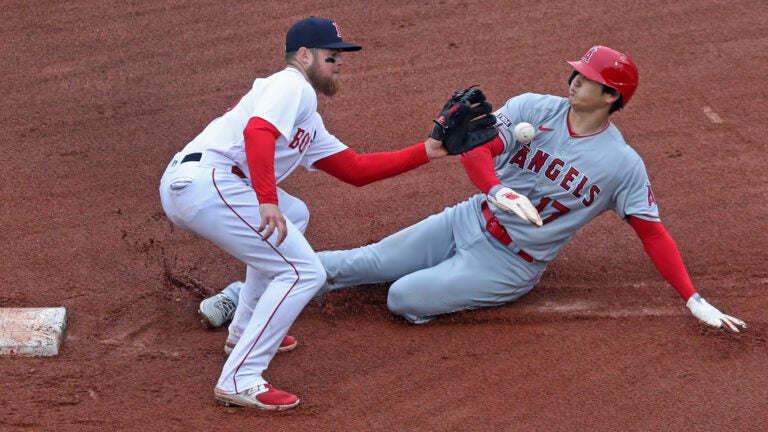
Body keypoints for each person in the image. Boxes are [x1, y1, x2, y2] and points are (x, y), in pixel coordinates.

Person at [199, 45, 746, 337]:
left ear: (611, 96)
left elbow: (652, 232)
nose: (574, 79)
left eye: (587, 76)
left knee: (401, 296)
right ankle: (236, 295)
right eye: (577, 71)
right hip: (467, 218)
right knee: (359, 261)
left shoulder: (622, 166)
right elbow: (478, 147)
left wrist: (692, 297)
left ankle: (431, 288)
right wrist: (496, 191)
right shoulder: (536, 107)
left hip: (512, 263)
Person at [159, 16, 472, 411]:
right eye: (331, 55)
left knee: (296, 214)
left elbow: (355, 170)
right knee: (303, 271)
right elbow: (258, 133)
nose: (339, 62)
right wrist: (266, 199)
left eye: (340, 56)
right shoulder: (292, 85)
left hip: (202, 183)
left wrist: (429, 151)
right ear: (303, 55)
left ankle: (244, 329)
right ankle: (240, 378)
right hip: (209, 182)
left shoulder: (306, 116)